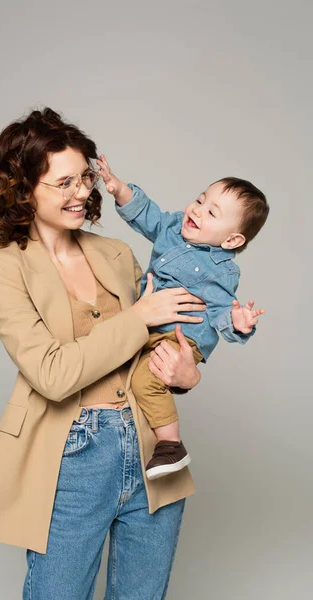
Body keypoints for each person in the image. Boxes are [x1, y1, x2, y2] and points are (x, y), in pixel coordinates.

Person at [0, 107, 206, 600]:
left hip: (152, 448)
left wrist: (187, 372)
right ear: (25, 188)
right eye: (64, 182)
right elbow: (52, 373)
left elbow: (158, 345)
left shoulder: (116, 252)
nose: (83, 192)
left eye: (86, 178)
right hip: (71, 454)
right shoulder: (2, 270)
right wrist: (140, 318)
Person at [97, 155, 269, 480]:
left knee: (145, 379)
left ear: (232, 240)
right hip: (150, 321)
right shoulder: (174, 228)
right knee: (113, 352)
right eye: (200, 200)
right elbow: (148, 215)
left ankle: (171, 445)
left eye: (211, 213)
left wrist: (238, 321)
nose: (197, 210)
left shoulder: (222, 271)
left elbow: (221, 308)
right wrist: (118, 188)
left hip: (182, 337)